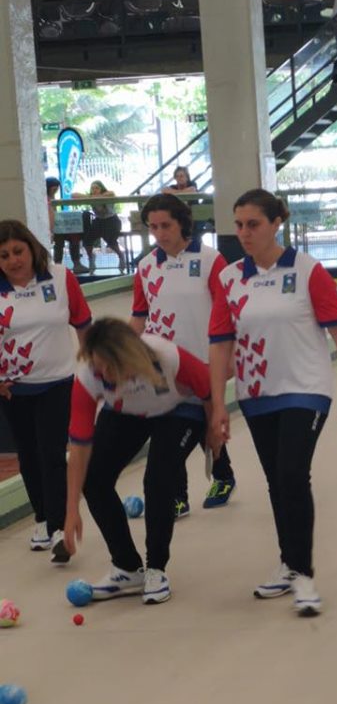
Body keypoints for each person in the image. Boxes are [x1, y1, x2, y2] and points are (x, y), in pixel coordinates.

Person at [208, 189, 337, 617]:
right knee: (277, 481)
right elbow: (221, 343)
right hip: (257, 394)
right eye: (238, 224)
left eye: (253, 224)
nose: (243, 233)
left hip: (306, 388)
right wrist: (217, 405)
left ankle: (304, 573)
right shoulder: (229, 279)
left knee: (293, 473)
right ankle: (288, 561)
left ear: (276, 222)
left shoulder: (307, 270)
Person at [64, 318, 213, 605]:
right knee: (94, 480)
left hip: (181, 410)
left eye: (112, 366)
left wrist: (214, 432)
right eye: (99, 366)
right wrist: (71, 510)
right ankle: (127, 568)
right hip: (129, 412)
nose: (105, 373)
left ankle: (156, 568)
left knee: (158, 478)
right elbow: (80, 446)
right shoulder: (87, 378)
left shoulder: (164, 355)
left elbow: (208, 390)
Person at [130, 193, 235, 517]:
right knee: (169, 428)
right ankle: (178, 495)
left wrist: (229, 359)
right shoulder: (146, 267)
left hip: (205, 360)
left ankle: (222, 475)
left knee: (207, 421)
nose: (160, 233)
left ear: (182, 224)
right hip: (163, 365)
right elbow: (139, 315)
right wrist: (124, 352)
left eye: (166, 225)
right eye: (153, 227)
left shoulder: (209, 260)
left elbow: (228, 313)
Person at [0, 219, 92, 563]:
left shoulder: (59, 277)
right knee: (28, 456)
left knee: (52, 454)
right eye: (4, 255)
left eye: (18, 251)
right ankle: (41, 516)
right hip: (13, 389)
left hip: (58, 382)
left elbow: (83, 323)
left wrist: (91, 369)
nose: (13, 260)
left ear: (31, 248)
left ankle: (57, 527)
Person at [75, 180, 126, 274]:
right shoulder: (90, 197)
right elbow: (74, 195)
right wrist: (91, 197)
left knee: (111, 242)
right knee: (87, 241)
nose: (94, 190)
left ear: (102, 188)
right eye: (92, 188)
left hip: (111, 221)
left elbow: (112, 193)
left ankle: (121, 256)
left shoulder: (107, 194)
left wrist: (95, 197)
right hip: (99, 221)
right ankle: (91, 257)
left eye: (97, 188)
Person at [46, 176, 89, 275]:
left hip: (58, 226)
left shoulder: (51, 197)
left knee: (72, 240)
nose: (56, 190)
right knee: (59, 244)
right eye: (54, 188)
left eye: (57, 188)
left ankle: (75, 263)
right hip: (53, 227)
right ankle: (58, 265)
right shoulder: (46, 198)